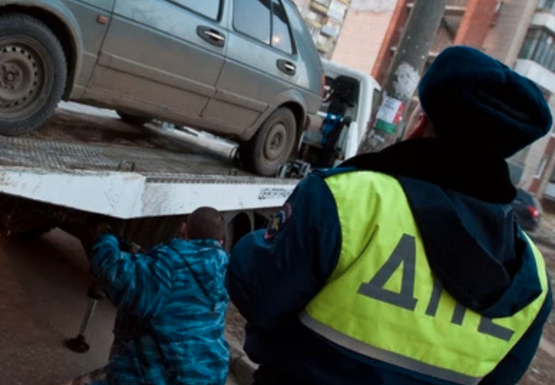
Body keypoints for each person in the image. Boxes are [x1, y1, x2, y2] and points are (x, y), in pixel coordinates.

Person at [227, 45, 553, 385]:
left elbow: (259, 294)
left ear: (419, 123)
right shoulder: (533, 279)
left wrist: (250, 246)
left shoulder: (346, 198)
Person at [69, 207, 230, 385]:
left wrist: (105, 237)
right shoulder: (221, 273)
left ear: (183, 229)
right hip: (206, 376)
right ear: (220, 242)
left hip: (155, 376)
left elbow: (115, 274)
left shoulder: (169, 265)